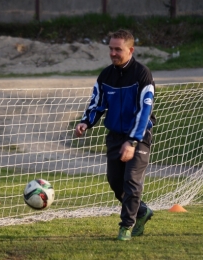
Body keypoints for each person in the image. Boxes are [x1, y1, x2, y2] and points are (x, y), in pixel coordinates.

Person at [75, 29, 156, 241]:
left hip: (139, 136)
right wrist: (85, 122)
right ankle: (141, 211)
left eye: (117, 49)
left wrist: (132, 141)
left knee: (131, 181)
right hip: (114, 137)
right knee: (115, 182)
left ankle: (126, 227)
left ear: (130, 50)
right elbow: (97, 104)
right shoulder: (106, 75)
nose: (112, 53)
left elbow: (144, 111)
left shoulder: (142, 74)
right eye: (110, 49)